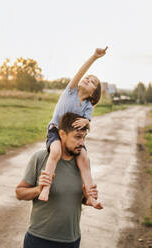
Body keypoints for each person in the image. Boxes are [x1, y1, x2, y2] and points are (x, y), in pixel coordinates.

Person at [15, 112, 103, 248]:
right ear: (62, 134)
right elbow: (19, 192)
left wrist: (88, 198)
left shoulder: (83, 163)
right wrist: (39, 189)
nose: (82, 143)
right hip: (39, 240)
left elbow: (79, 200)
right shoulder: (40, 158)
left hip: (71, 241)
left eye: (84, 138)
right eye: (77, 137)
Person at [38, 47, 108, 208]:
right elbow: (81, 71)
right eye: (87, 78)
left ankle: (91, 197)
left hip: (73, 138)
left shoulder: (88, 105)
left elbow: (87, 122)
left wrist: (87, 122)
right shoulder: (70, 91)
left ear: (93, 93)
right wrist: (94, 57)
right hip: (56, 130)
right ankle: (46, 188)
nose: (87, 79)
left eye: (92, 82)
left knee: (84, 159)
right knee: (55, 152)